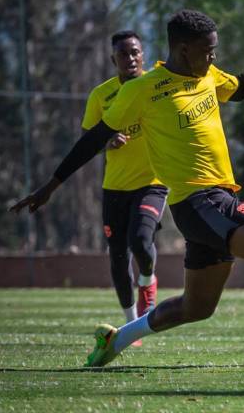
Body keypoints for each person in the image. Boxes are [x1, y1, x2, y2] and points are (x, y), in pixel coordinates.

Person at [11, 10, 244, 370]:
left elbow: (243, 87)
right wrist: (51, 185)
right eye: (208, 49)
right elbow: (95, 139)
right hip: (201, 202)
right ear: (183, 49)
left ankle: (115, 340)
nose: (213, 56)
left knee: (196, 307)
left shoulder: (207, 75)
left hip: (215, 202)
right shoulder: (143, 90)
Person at [82, 31, 168, 342]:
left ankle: (148, 280)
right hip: (114, 188)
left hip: (152, 183)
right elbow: (88, 141)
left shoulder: (155, 87)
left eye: (135, 52)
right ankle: (132, 326)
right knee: (118, 256)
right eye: (123, 54)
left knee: (142, 241)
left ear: (143, 55)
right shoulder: (100, 96)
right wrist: (107, 141)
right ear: (113, 59)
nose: (130, 58)